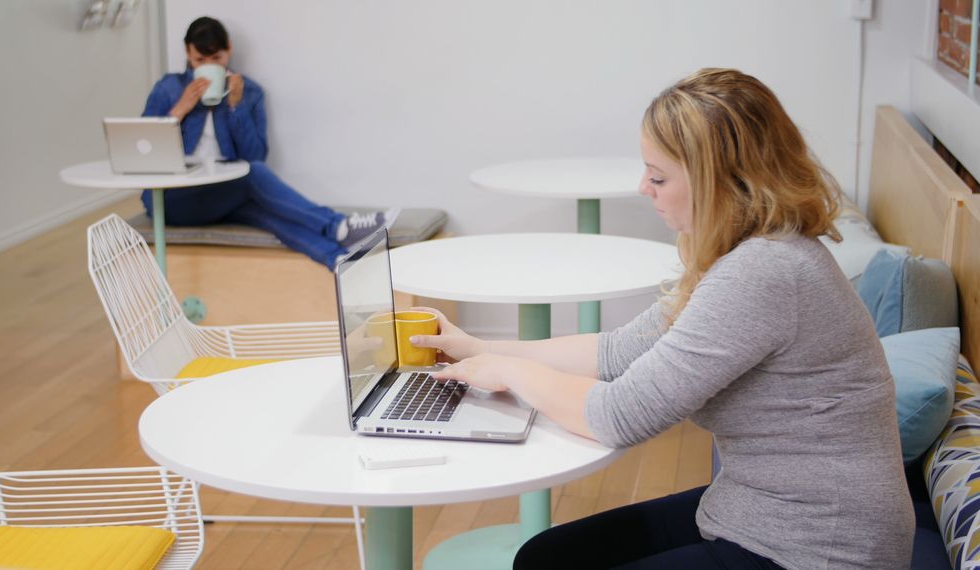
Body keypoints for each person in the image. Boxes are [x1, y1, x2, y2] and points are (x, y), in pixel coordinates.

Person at [411, 68, 914, 569]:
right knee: (545, 556)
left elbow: (617, 415)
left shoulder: (765, 271)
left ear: (720, 182)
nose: (643, 188)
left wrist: (510, 372)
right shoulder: (753, 253)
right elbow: (616, 352)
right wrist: (480, 349)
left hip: (817, 550)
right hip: (759, 511)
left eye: (658, 176)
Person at [141, 16, 396, 269]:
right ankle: (338, 225)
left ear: (229, 49)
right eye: (199, 61)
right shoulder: (169, 88)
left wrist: (236, 108)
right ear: (187, 53)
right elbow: (142, 151)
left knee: (266, 214)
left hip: (223, 195)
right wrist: (180, 110)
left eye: (217, 59)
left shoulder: (249, 92)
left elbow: (254, 156)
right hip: (172, 199)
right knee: (256, 176)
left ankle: (339, 259)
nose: (209, 67)